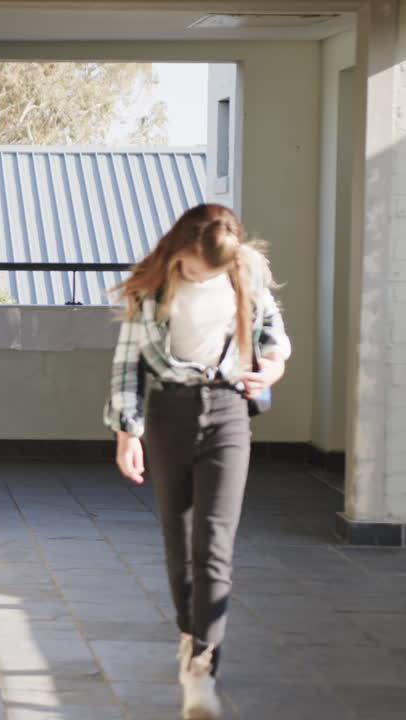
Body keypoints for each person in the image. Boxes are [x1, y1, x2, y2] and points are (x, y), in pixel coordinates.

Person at [103, 204, 290, 720]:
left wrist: (270, 371)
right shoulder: (153, 282)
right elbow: (128, 360)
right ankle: (190, 635)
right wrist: (127, 432)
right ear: (177, 250)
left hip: (229, 410)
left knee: (214, 543)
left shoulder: (245, 273)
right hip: (168, 413)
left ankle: (203, 663)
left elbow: (274, 338)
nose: (198, 275)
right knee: (179, 540)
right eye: (190, 267)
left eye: (209, 271)